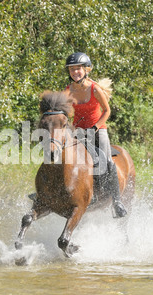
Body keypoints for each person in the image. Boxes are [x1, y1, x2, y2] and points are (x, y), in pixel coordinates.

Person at [64, 52, 127, 218]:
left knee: (105, 161)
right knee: (60, 154)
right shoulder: (68, 90)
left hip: (98, 130)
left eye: (78, 69)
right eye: (72, 70)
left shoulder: (94, 89)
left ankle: (117, 202)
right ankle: (47, 194)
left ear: (86, 70)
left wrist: (96, 126)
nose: (75, 72)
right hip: (78, 131)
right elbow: (65, 111)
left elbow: (107, 111)